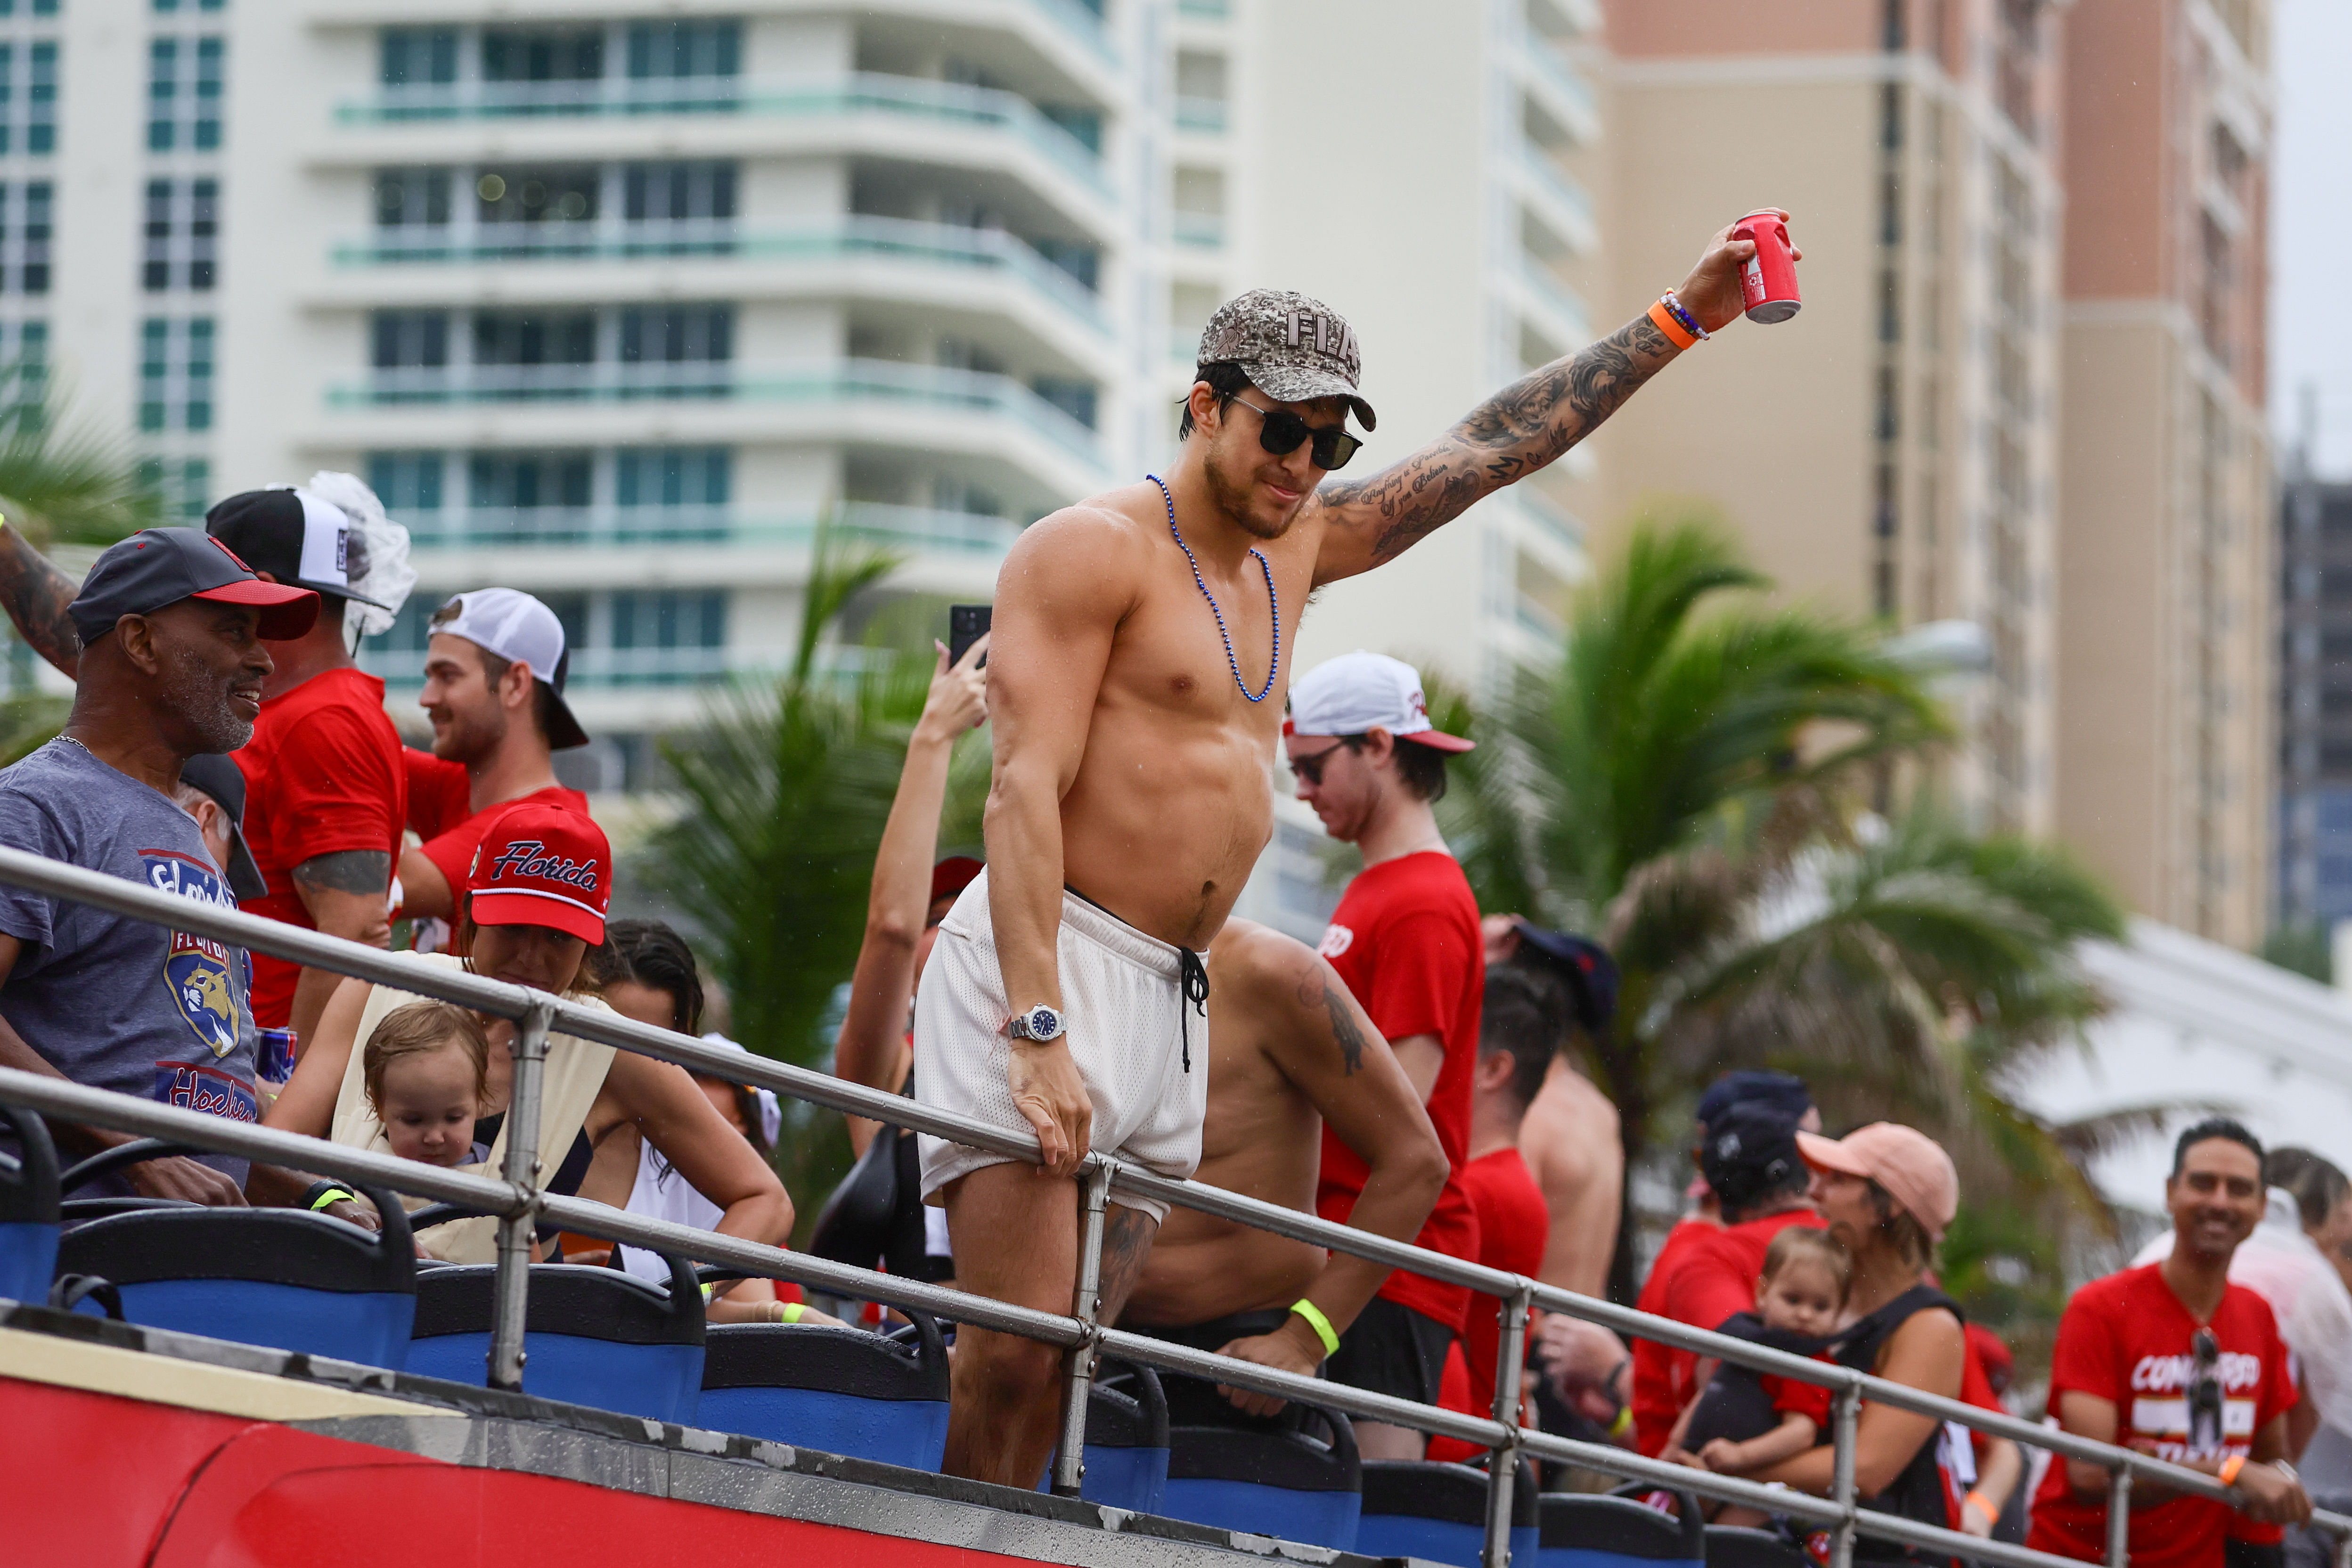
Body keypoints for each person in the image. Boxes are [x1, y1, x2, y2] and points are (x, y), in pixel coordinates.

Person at [919, 219, 1778, 1486]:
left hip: (1172, 986)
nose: (1306, 462)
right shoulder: (1088, 549)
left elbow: (1488, 450)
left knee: (1071, 1359)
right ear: (1206, 408)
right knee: (1016, 1350)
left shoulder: (1300, 544)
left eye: (1333, 441)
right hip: (1048, 958)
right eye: (1283, 429)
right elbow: (1022, 794)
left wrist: (1682, 318)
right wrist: (1037, 1032)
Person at [266, 804, 792, 1265]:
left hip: (492, 1338)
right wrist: (331, 1202)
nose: (530, 959)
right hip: (341, 1288)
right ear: (472, 911)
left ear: (591, 944)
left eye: (559, 938)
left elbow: (765, 1199)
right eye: (513, 927)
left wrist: (682, 1298)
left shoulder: (611, 1048)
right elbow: (268, 1150)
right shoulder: (375, 986)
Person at [0, 482, 418, 1045]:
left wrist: (286, 1102)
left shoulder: (323, 719)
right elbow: (108, 651)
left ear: (258, 587)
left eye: (237, 616)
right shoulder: (253, 713)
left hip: (258, 1098)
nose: (260, 656)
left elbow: (356, 932)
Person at [0, 527, 315, 1204]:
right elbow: (164, 1149)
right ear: (140, 642)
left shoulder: (191, 832)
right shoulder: (34, 804)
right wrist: (134, 1157)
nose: (263, 660)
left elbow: (211, 1097)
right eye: (235, 631)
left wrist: (327, 1204)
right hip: (73, 1255)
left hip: (185, 1254)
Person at [1119, 917, 1447, 1425]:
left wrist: (1303, 1339)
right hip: (1086, 1336)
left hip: (1240, 1368)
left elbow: (1417, 1162)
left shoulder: (1277, 973)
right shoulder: (1058, 960)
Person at [1280, 649, 1485, 1459]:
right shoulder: (1385, 886)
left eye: (1309, 766)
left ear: (1375, 745)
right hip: (1355, 1247)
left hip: (1393, 1263)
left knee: (1362, 1515)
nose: (1299, 789)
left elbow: (1401, 1113)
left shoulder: (1422, 901)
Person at [2031, 1119, 2312, 1567]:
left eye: (2239, 1189)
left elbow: (2273, 1459)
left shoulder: (2257, 1316)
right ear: (2170, 1192)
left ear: (2261, 1207)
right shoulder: (2101, 1307)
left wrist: (2276, 1487)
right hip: (2080, 1558)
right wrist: (2228, 1471)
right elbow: (2090, 1473)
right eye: (2203, 1183)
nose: (2220, 1201)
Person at [1733, 1121, 2017, 1560]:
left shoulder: (1930, 1325)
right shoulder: (1826, 1306)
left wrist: (1735, 1469)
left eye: (1839, 1179)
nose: (1816, 1191)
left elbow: (1867, 1469)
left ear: (1889, 1207)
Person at [578, 918, 807, 1323]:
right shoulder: (513, 1094)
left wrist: (687, 1291)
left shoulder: (692, 1154)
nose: (626, 1066)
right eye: (610, 1035)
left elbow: (769, 1211)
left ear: (683, 1045)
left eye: (648, 1045)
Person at [833, 634, 990, 1160]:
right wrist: (934, 735)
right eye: (940, 918)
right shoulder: (888, 1068)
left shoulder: (1052, 1070)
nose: (959, 933)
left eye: (982, 921)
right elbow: (894, 928)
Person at [1634, 1090, 1824, 1457]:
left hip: (1711, 1489)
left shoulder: (1707, 1256)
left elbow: (1727, 1380)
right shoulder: (1862, 1250)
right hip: (1845, 1487)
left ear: (1720, 1192)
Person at [396, 589, 591, 926]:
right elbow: (345, 751)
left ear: (515, 684)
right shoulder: (462, 784)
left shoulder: (545, 830)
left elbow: (388, 888)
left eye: (448, 676)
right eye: (430, 678)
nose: (426, 699)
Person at [1483, 915, 1623, 1301]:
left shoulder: (1523, 1106)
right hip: (1576, 1334)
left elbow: (1498, 1244)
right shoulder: (1599, 1110)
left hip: (1526, 1340)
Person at [1675, 1226, 1848, 1523]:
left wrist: (1741, 1456)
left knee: (1722, 1548)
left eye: (1821, 1306)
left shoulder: (1808, 1364)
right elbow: (1714, 1390)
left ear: (1839, 1313)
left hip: (1754, 1490)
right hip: (1697, 1465)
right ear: (1763, 1293)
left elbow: (1801, 1433)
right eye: (1793, 1300)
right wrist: (1674, 1442)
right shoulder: (1747, 1338)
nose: (1805, 1315)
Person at [363, 999, 490, 1168]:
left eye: (453, 1118)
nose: (435, 1138)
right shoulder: (365, 1166)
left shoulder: (499, 1171)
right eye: (413, 1120)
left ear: (479, 1102)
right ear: (379, 1107)